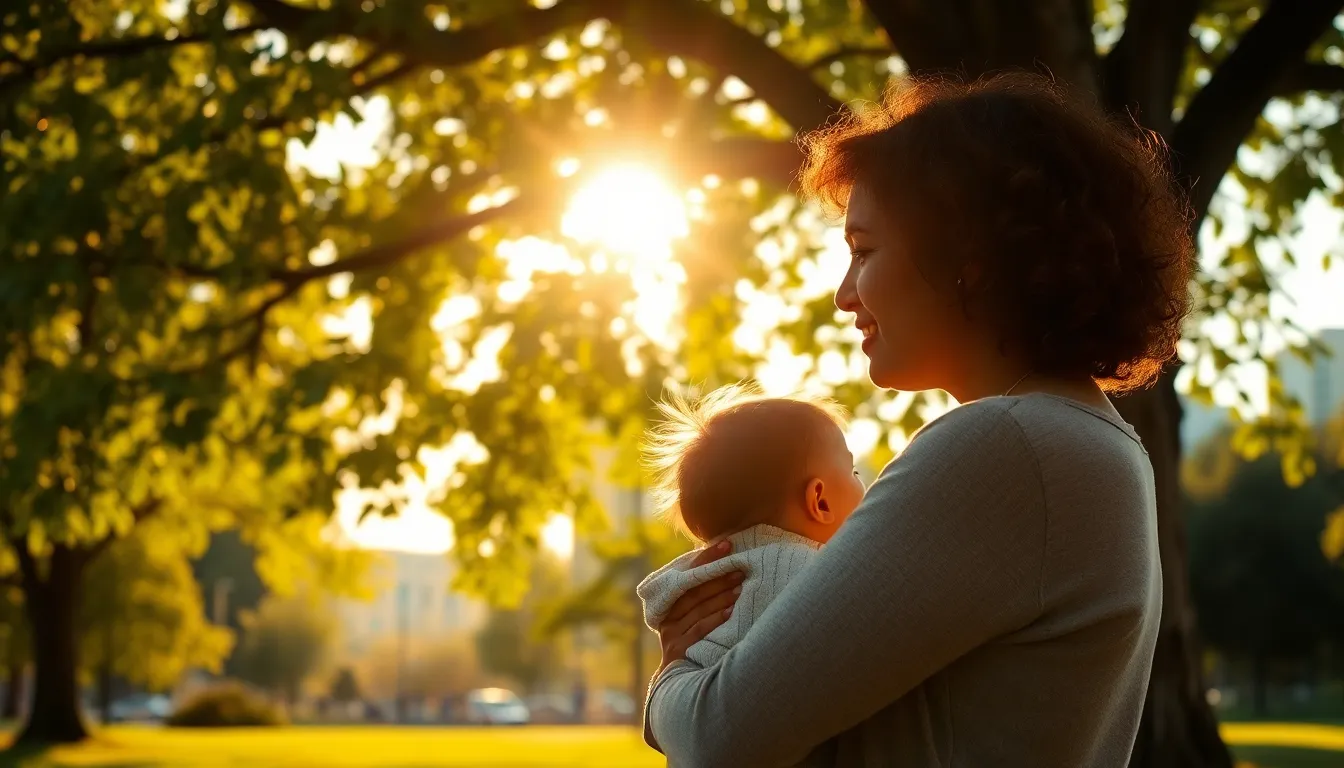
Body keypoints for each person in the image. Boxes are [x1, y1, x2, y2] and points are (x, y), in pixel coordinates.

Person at [645, 72, 1193, 767]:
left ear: (968, 257)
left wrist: (673, 679)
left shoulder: (1010, 446)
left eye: (864, 251)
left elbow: (723, 735)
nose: (845, 296)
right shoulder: (1091, 441)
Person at [636, 384, 866, 667]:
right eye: (853, 472)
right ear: (820, 502)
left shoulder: (700, 583)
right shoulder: (816, 575)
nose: (865, 485)